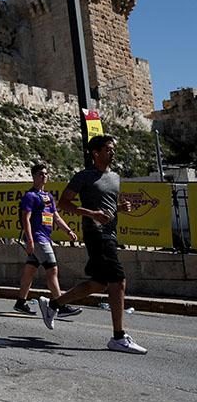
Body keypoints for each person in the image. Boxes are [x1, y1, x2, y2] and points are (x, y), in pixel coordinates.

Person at [40, 135, 147, 354]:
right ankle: (118, 337)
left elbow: (109, 206)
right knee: (118, 281)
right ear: (95, 153)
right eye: (108, 149)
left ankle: (53, 304)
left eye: (113, 149)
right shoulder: (84, 177)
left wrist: (121, 208)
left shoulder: (116, 177)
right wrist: (91, 214)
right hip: (95, 234)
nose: (112, 152)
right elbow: (63, 203)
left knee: (99, 284)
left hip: (111, 233)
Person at [13, 163, 81, 317]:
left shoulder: (48, 196)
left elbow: (56, 217)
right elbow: (26, 219)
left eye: (45, 174)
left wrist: (68, 231)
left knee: (30, 270)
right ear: (34, 176)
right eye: (40, 174)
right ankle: (60, 304)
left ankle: (20, 302)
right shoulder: (30, 196)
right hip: (38, 239)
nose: (44, 176)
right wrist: (29, 240)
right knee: (52, 269)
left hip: (45, 237)